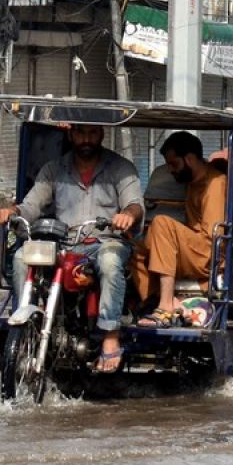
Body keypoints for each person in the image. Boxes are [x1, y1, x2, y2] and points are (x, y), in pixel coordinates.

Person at [0, 124, 143, 372]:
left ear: (102, 135)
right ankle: (28, 323)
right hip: (64, 242)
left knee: (110, 261)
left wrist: (127, 215)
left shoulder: (121, 168)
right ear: (71, 135)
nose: (86, 139)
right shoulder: (54, 169)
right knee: (23, 256)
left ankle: (110, 336)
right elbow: (32, 205)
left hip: (105, 241)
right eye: (80, 133)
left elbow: (134, 204)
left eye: (92, 133)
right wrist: (13, 212)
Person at [130, 132, 227, 328]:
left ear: (190, 159)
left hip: (209, 254)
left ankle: (166, 306)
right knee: (133, 248)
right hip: (194, 251)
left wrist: (171, 237)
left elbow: (213, 238)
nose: (171, 171)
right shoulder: (192, 183)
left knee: (162, 224)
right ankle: (154, 302)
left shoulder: (216, 183)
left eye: (174, 164)